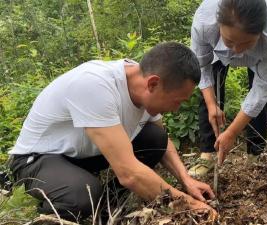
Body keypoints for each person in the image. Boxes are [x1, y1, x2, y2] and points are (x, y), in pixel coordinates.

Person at [8, 42, 216, 221]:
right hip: (38, 159)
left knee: (155, 138)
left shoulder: (144, 82)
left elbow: (163, 143)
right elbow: (129, 173)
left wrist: (186, 180)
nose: (175, 109)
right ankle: (51, 216)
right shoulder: (95, 85)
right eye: (176, 101)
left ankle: (106, 209)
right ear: (153, 83)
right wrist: (188, 205)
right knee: (81, 195)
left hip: (82, 154)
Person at [188, 0, 267, 177]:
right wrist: (212, 105)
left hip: (260, 56)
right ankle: (208, 153)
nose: (237, 51)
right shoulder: (204, 22)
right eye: (230, 41)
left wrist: (232, 132)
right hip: (216, 51)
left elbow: (262, 88)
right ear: (218, 24)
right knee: (210, 94)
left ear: (260, 32)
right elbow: (202, 67)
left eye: (247, 43)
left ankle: (255, 152)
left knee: (261, 100)